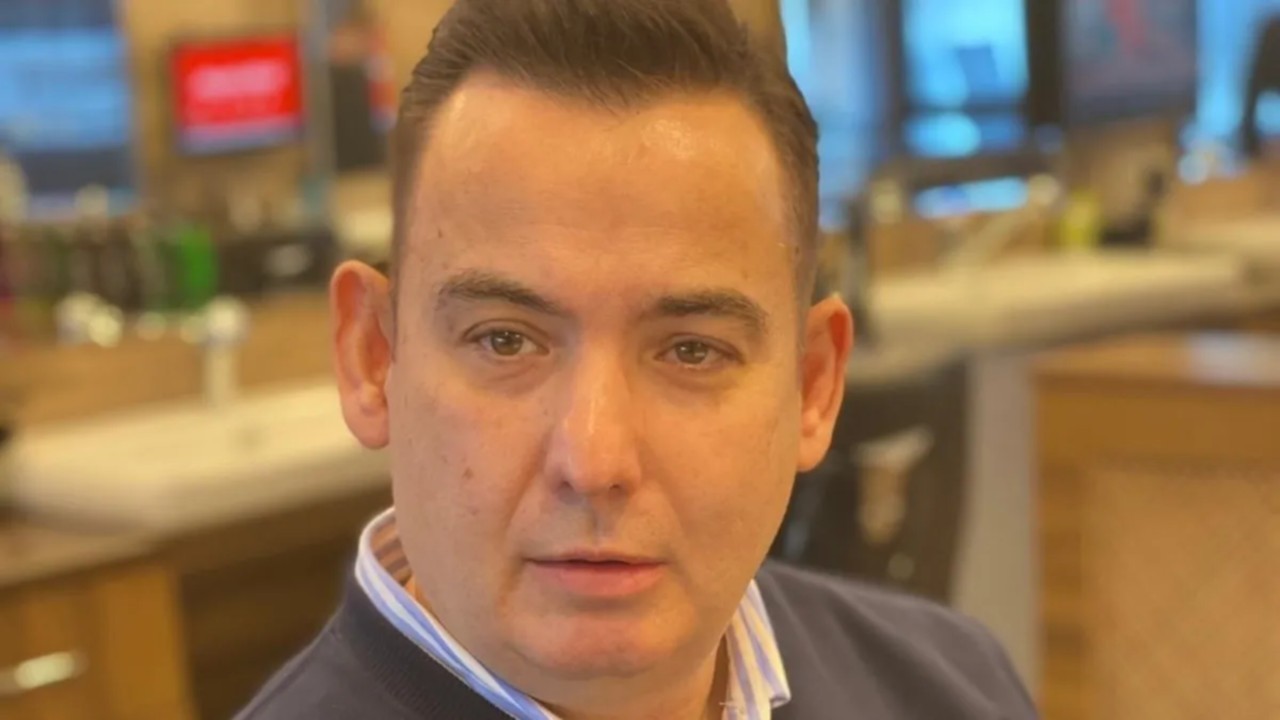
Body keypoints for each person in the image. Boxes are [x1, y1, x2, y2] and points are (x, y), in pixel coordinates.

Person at [237, 1, 1037, 718]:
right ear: (374, 358)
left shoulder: (955, 688)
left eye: (692, 350)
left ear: (812, 387)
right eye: (505, 340)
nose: (594, 462)